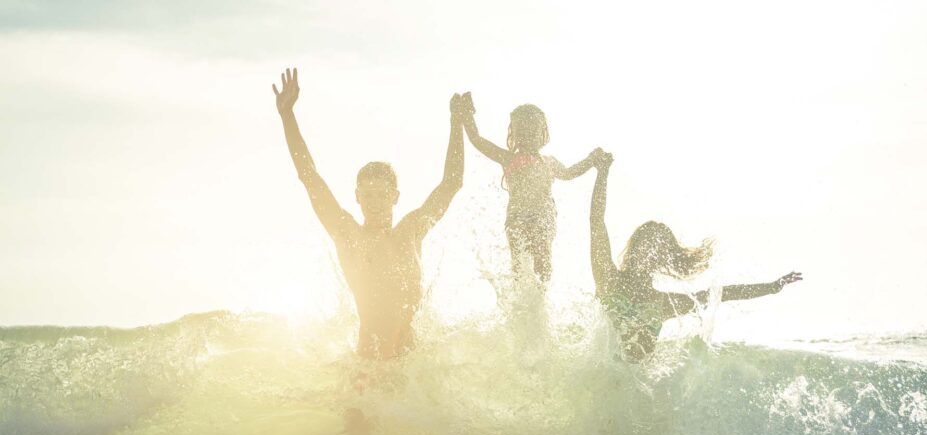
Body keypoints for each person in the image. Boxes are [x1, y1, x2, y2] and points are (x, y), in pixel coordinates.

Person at [272, 68, 468, 360]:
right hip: (368, 372)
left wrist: (457, 123)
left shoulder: (411, 230)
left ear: (395, 197)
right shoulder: (348, 234)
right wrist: (287, 116)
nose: (375, 202)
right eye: (367, 195)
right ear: (357, 199)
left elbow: (452, 183)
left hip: (413, 370)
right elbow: (309, 175)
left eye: (382, 195)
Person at [588, 151, 802, 361]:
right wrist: (602, 172)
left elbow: (722, 293)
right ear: (634, 248)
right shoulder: (608, 278)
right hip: (602, 382)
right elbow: (596, 223)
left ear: (664, 257)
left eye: (658, 249)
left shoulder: (661, 303)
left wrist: (772, 287)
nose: (650, 253)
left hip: (637, 387)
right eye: (647, 245)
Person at [459, 96, 601, 282]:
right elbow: (477, 140)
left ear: (542, 132)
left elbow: (569, 173)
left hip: (543, 217)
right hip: (517, 217)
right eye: (522, 131)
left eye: (533, 130)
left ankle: (539, 299)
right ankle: (520, 298)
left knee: (543, 267)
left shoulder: (549, 163)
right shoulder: (508, 158)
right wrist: (466, 114)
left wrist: (591, 160)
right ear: (514, 133)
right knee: (520, 265)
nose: (527, 135)